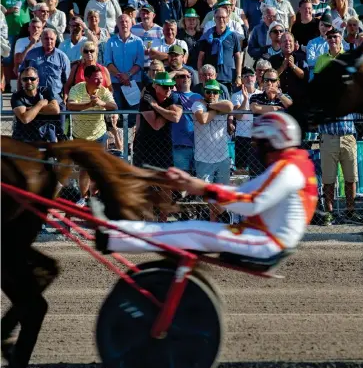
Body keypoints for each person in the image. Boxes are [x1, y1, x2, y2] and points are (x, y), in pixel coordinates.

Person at [100, 113, 318, 270]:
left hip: (266, 244)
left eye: (260, 143)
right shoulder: (291, 166)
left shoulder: (288, 169)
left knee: (192, 231)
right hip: (264, 238)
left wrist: (200, 187)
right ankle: (117, 233)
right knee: (190, 231)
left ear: (273, 142)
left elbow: (252, 202)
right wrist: (191, 183)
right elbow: (244, 192)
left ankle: (112, 237)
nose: (256, 148)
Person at [67, 64, 117, 199]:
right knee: (84, 169)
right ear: (86, 78)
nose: (100, 81)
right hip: (80, 137)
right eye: (96, 79)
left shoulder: (104, 91)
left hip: (99, 135)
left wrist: (102, 103)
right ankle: (84, 198)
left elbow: (114, 106)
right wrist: (89, 105)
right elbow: (70, 105)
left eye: (101, 78)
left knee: (98, 169)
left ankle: (94, 197)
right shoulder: (76, 89)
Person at [191, 79, 233, 221]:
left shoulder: (221, 103)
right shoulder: (197, 104)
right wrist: (215, 110)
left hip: (222, 157)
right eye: (209, 92)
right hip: (203, 158)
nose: (212, 94)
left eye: (215, 92)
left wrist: (210, 106)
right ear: (204, 92)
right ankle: (212, 222)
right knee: (207, 196)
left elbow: (230, 107)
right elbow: (202, 119)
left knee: (221, 194)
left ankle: (215, 224)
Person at [133, 71, 182, 170]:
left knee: (164, 179)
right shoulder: (147, 99)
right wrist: (168, 112)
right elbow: (156, 125)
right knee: (144, 180)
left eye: (171, 86)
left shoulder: (174, 97)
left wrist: (156, 106)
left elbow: (176, 117)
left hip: (164, 145)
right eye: (165, 87)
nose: (168, 89)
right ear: (156, 86)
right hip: (145, 144)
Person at [318, 113, 361, 226]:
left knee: (351, 177)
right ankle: (329, 213)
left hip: (348, 138)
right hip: (328, 137)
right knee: (328, 179)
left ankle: (350, 212)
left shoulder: (350, 98)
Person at [103, 14, 145, 127]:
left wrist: (128, 75)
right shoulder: (110, 42)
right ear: (117, 24)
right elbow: (107, 62)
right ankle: (119, 143)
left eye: (126, 21)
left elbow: (140, 62)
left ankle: (131, 144)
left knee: (133, 117)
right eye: (121, 21)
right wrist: (121, 76)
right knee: (117, 117)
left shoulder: (138, 42)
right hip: (116, 84)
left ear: (131, 24)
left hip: (134, 84)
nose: (124, 24)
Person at [198, 7, 242, 95]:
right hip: (209, 78)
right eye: (218, 17)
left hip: (227, 77)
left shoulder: (233, 36)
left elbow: (238, 57)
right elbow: (200, 57)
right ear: (214, 18)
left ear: (227, 18)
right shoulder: (207, 36)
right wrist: (200, 74)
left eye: (223, 17)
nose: (221, 19)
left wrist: (238, 76)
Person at [11, 66, 60, 143]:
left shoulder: (46, 91)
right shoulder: (17, 96)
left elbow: (55, 109)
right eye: (25, 79)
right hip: (24, 138)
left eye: (32, 79)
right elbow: (25, 119)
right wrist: (40, 104)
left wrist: (29, 110)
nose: (29, 81)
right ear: (21, 81)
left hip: (45, 136)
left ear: (38, 80)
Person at [1, 0, 32, 89]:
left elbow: (33, 5)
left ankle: (21, 84)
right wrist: (8, 11)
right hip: (8, 31)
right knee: (8, 59)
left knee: (22, 58)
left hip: (23, 31)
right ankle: (8, 84)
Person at [228, 67, 262, 175]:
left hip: (258, 137)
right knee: (241, 170)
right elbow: (238, 116)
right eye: (246, 76)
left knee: (258, 168)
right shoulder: (236, 96)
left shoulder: (262, 94)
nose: (249, 78)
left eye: (251, 76)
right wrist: (246, 99)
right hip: (242, 136)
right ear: (242, 79)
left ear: (255, 78)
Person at [171, 69, 201, 172]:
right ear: (176, 79)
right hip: (180, 144)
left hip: (199, 145)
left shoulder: (198, 97)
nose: (186, 78)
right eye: (182, 76)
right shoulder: (172, 95)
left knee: (199, 180)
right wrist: (175, 72)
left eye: (188, 76)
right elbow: (156, 84)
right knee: (182, 180)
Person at [269, 32, 309, 103]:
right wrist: (282, 67)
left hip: (298, 99)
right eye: (285, 41)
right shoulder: (273, 59)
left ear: (294, 44)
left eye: (290, 41)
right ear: (280, 44)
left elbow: (304, 76)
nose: (288, 43)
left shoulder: (301, 57)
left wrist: (293, 66)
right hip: (279, 99)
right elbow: (270, 79)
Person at [131, 3, 163, 70]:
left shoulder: (160, 30)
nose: (145, 16)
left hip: (153, 68)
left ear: (153, 15)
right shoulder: (133, 29)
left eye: (147, 13)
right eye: (143, 13)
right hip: (135, 66)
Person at [306, 12, 333, 78]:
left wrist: (318, 58)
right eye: (322, 25)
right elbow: (310, 62)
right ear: (318, 26)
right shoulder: (312, 42)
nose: (324, 28)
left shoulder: (337, 42)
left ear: (331, 28)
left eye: (327, 25)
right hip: (316, 77)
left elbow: (338, 59)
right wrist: (328, 59)